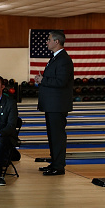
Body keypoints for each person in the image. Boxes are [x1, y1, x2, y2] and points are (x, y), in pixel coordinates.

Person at [34, 30, 74, 176]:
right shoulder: (56, 58)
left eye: (49, 39)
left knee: (57, 137)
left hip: (57, 105)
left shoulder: (63, 59)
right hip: (52, 105)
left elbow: (61, 82)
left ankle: (59, 166)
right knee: (53, 136)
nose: (47, 42)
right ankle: (55, 163)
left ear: (57, 42)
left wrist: (42, 80)